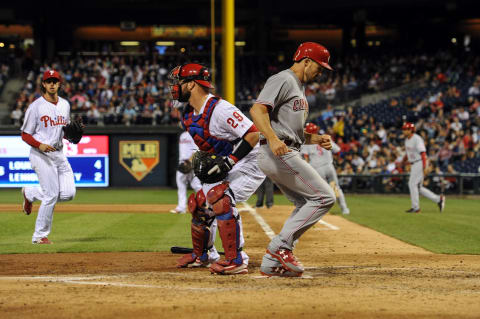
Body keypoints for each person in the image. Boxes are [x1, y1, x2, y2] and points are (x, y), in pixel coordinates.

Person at [168, 63, 265, 275]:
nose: (174, 87)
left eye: (179, 82)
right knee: (198, 204)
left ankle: (236, 260)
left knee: (221, 199)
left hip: (253, 161)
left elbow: (253, 134)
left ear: (192, 84)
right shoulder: (189, 114)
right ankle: (203, 255)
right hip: (229, 160)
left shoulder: (221, 110)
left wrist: (229, 161)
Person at [250, 42, 336, 277]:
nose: (321, 72)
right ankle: (279, 248)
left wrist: (316, 139)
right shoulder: (284, 79)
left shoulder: (297, 86)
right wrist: (273, 138)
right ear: (306, 61)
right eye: (319, 67)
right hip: (278, 151)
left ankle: (271, 262)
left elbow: (292, 133)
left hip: (286, 149)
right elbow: (257, 110)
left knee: (304, 202)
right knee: (324, 197)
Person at [20, 70, 77, 244]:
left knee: (68, 194)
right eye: (48, 81)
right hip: (41, 154)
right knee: (51, 194)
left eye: (55, 81)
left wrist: (72, 135)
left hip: (59, 154)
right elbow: (25, 134)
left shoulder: (65, 105)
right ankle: (39, 236)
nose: (52, 84)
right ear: (43, 84)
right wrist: (40, 144)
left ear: (60, 84)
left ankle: (30, 192)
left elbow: (64, 131)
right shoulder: (36, 107)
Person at [301, 122, 350, 215]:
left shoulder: (307, 143)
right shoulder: (324, 137)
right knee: (335, 188)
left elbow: (306, 158)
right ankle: (344, 209)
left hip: (318, 170)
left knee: (320, 191)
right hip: (329, 167)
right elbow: (338, 151)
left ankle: (320, 211)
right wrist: (338, 161)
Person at [402, 122, 445, 213]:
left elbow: (423, 153)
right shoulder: (406, 140)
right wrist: (402, 161)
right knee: (418, 188)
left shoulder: (417, 139)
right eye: (404, 129)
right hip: (414, 163)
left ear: (411, 130)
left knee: (412, 184)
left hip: (419, 162)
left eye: (407, 129)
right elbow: (408, 153)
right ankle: (438, 199)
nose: (405, 131)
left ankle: (416, 208)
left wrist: (425, 167)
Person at [170, 130, 202, 214]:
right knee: (181, 185)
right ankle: (181, 207)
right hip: (182, 162)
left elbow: (196, 150)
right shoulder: (183, 135)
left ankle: (206, 203)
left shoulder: (194, 134)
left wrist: (190, 161)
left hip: (192, 163)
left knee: (196, 185)